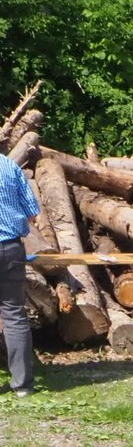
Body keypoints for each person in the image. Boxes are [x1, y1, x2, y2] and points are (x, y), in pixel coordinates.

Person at [0, 151, 40, 397]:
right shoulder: (9, 166)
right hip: (10, 248)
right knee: (14, 314)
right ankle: (22, 385)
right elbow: (32, 212)